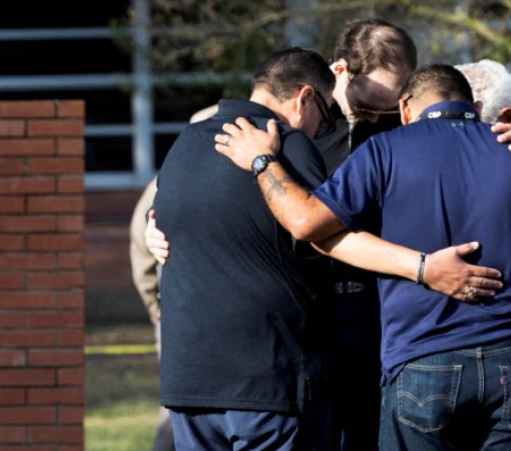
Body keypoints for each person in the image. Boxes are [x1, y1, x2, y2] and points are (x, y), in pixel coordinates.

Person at [152, 48, 493, 451]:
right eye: (326, 115)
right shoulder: (290, 146)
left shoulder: (186, 142)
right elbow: (324, 234)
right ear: (305, 99)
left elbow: (166, 218)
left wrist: (150, 230)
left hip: (188, 381)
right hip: (268, 377)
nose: (321, 129)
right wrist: (423, 267)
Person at [130, 104, 218, 451]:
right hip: (177, 313)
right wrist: (158, 313)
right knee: (178, 407)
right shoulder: (165, 184)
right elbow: (141, 254)